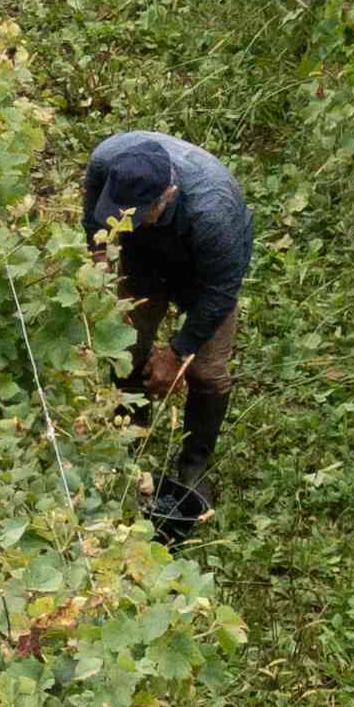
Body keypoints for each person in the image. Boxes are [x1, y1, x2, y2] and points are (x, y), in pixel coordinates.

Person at [83, 131, 253, 534]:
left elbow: (220, 292)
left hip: (205, 273)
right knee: (126, 346)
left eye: (136, 215)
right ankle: (130, 438)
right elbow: (94, 220)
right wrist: (99, 254)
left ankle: (194, 464)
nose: (123, 222)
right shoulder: (107, 160)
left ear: (168, 195)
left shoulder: (214, 214)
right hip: (144, 261)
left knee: (206, 370)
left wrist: (179, 352)